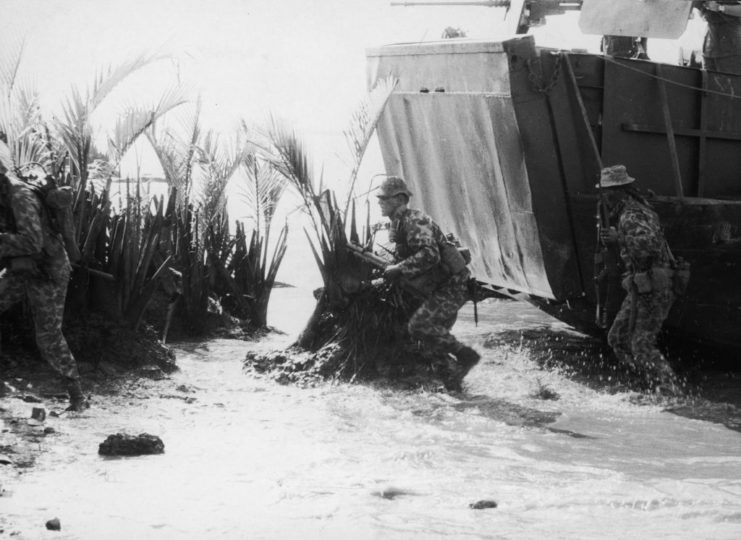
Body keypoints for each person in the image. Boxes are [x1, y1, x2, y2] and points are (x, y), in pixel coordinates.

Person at [376, 176, 479, 391]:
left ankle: (465, 355)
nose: (380, 202)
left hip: (452, 285)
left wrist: (399, 269)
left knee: (420, 326)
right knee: (426, 338)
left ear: (399, 199)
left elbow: (429, 255)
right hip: (437, 286)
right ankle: (452, 380)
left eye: (384, 198)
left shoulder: (415, 220)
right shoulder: (398, 223)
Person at [0, 159, 87, 411]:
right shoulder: (5, 195)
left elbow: (32, 241)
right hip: (22, 267)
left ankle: (76, 395)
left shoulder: (20, 196)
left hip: (48, 270)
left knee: (48, 335)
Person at [597, 165, 678, 390]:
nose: (605, 196)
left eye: (608, 191)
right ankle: (646, 382)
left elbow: (649, 245)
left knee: (641, 345)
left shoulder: (633, 214)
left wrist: (619, 237)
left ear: (620, 191)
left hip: (655, 287)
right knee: (617, 338)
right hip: (640, 287)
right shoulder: (630, 212)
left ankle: (670, 390)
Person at [697, 1, 741, 75]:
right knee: (708, 83)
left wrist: (720, 7)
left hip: (730, 47)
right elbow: (701, 11)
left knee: (730, 83)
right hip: (709, 47)